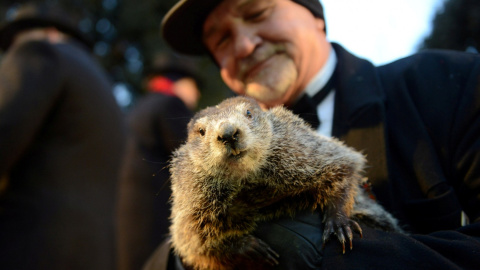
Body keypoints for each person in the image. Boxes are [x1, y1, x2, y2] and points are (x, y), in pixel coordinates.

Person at [145, 0, 480, 269]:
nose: (244, 46)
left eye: (258, 12)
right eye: (222, 40)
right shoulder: (204, 151)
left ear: (315, 14)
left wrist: (339, 258)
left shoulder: (449, 83)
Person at [0, 2, 126, 270]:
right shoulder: (102, 87)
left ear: (51, 32)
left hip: (27, 248)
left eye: (16, 42)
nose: (11, 52)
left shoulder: (41, 52)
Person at [117, 58, 202, 270]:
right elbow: (199, 157)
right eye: (194, 87)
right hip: (156, 222)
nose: (197, 95)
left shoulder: (139, 108)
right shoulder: (171, 105)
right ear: (181, 83)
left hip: (126, 223)